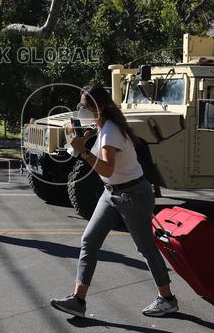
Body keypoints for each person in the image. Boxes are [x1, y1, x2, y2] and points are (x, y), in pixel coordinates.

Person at [50, 82, 178, 319]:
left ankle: (167, 299)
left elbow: (107, 169)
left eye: (85, 105)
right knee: (89, 240)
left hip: (133, 195)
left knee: (146, 248)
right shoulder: (103, 128)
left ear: (97, 108)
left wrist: (83, 151)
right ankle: (78, 300)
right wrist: (85, 142)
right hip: (112, 194)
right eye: (80, 104)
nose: (81, 109)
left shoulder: (110, 131)